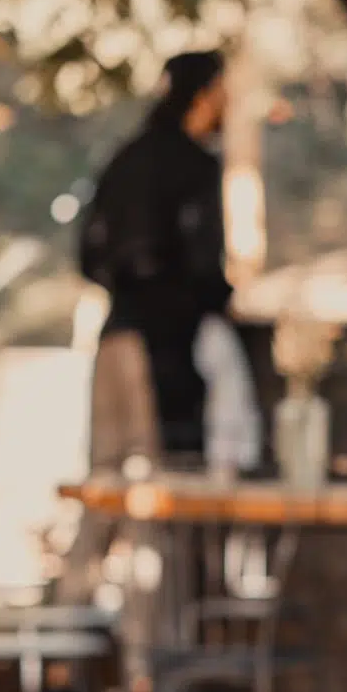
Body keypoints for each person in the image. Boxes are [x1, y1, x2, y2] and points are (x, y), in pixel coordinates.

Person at [79, 50, 242, 463]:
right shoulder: (194, 164)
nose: (228, 101)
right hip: (170, 349)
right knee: (179, 479)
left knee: (107, 477)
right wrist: (215, 300)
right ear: (203, 94)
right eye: (222, 90)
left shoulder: (125, 159)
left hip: (116, 332)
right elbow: (202, 260)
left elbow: (88, 254)